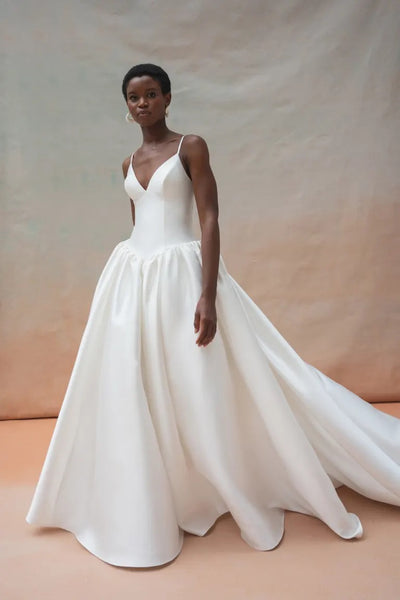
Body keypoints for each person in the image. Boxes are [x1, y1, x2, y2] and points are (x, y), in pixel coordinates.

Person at [26, 64, 400, 568]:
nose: (143, 104)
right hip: (134, 280)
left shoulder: (190, 147)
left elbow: (208, 216)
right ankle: (165, 490)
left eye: (151, 94)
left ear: (167, 98)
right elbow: (141, 223)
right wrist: (139, 275)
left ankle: (235, 472)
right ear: (127, 105)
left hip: (184, 276)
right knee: (141, 381)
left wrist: (207, 292)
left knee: (202, 379)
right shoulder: (127, 162)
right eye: (134, 97)